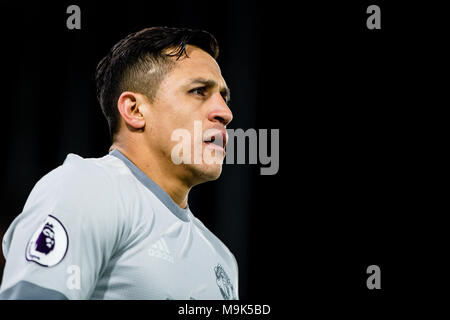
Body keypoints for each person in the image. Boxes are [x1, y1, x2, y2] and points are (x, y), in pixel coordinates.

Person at [0, 26, 238, 300]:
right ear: (135, 110)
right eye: (199, 91)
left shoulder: (222, 260)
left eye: (224, 96)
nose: (225, 113)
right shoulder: (88, 187)